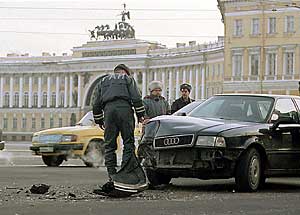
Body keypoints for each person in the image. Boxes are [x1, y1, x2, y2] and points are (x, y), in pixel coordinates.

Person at [92, 64, 147, 196]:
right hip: (125, 110)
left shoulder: (103, 81)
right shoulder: (128, 79)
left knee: (109, 145)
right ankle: (124, 174)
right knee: (128, 142)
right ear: (125, 72)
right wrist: (140, 115)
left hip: (109, 111)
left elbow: (96, 102)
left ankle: (112, 176)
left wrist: (99, 119)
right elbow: (136, 97)